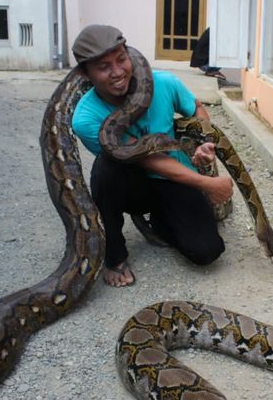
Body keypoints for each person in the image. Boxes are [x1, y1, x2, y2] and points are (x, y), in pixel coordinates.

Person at [71, 24, 233, 288]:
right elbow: (147, 157)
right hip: (132, 182)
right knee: (105, 169)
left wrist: (204, 142)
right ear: (84, 73)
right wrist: (207, 184)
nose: (117, 73)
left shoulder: (164, 83)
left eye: (121, 59)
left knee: (207, 251)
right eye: (103, 67)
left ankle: (156, 223)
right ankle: (114, 256)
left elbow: (198, 109)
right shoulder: (86, 117)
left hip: (175, 179)